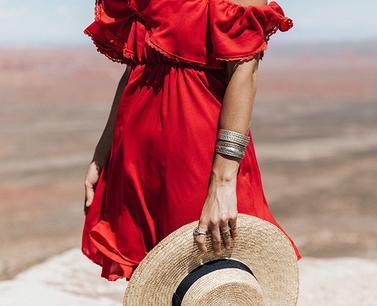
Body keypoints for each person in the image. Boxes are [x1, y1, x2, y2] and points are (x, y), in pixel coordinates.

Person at [81, 0, 301, 281]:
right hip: (136, 161)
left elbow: (244, 72)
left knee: (212, 279)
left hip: (195, 159)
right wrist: (103, 154)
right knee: (160, 282)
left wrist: (222, 184)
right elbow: (133, 69)